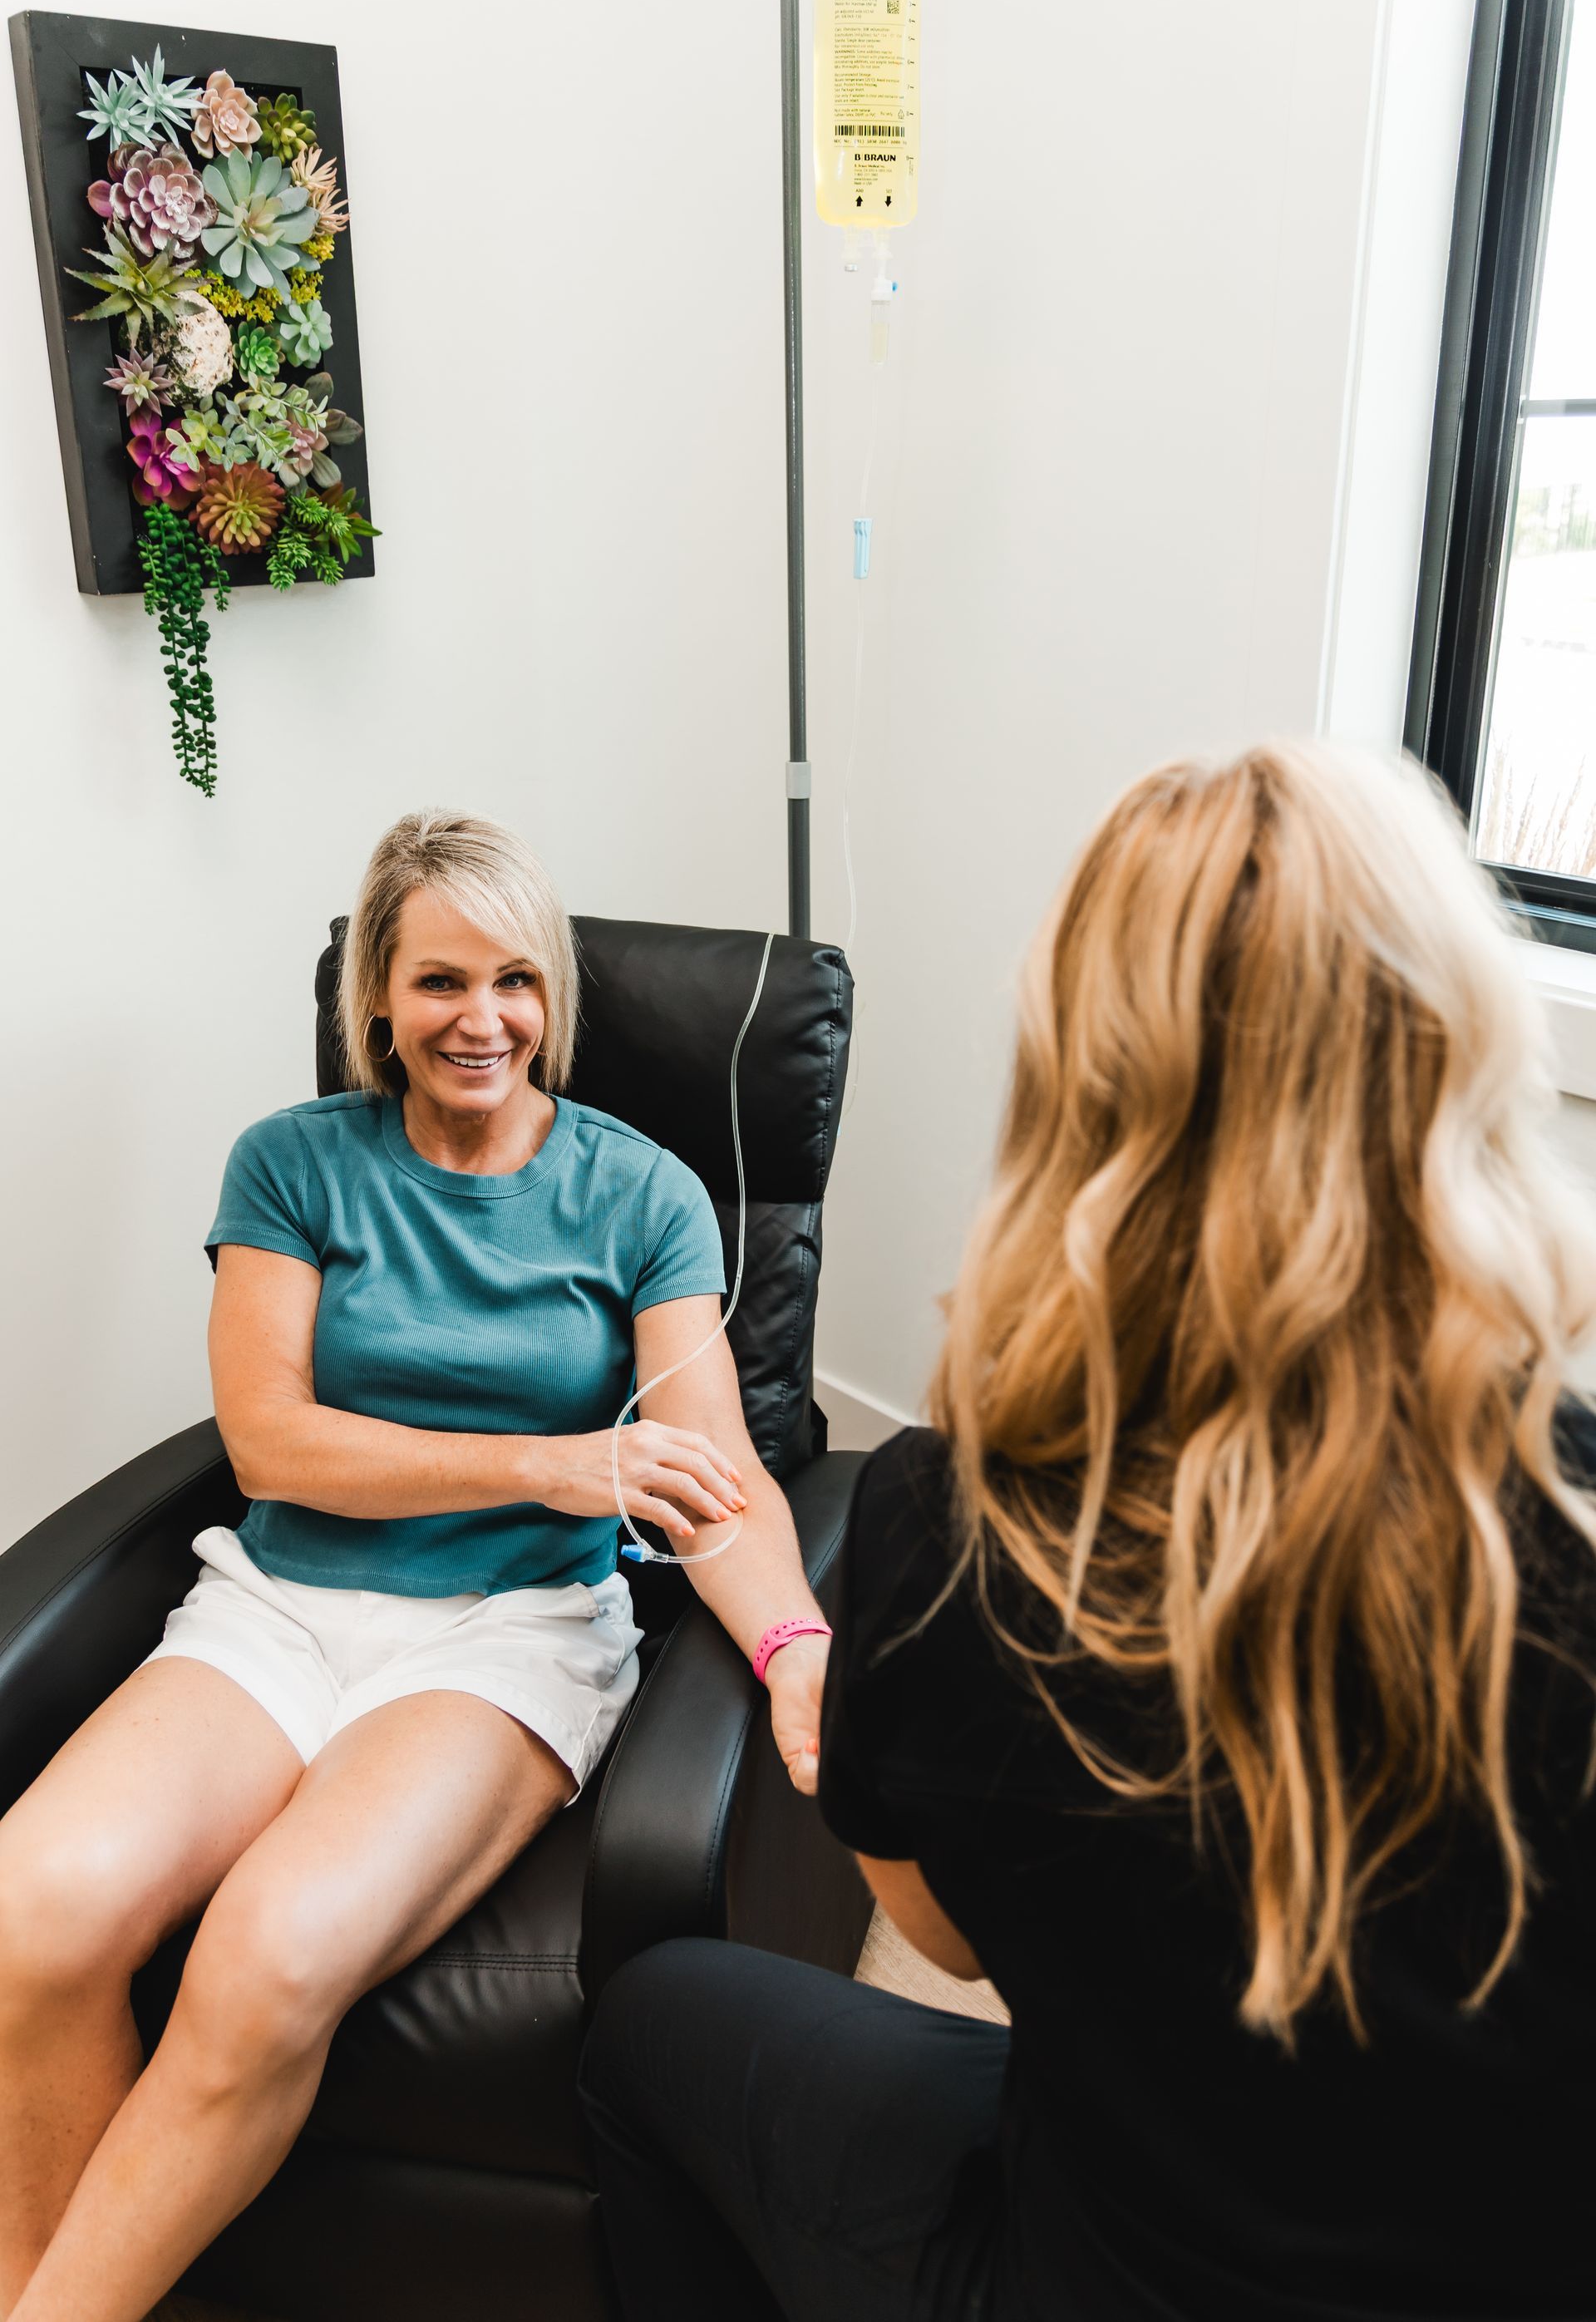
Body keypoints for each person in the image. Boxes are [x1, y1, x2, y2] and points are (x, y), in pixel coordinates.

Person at [579, 742, 1596, 2322]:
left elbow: (949, 1946)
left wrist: (869, 1742)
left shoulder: (952, 1524)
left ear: (1088, 1089)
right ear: (1454, 1058)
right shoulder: (1569, 1535)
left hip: (1092, 2272)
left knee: (652, 2029)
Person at [0, 808, 835, 2322]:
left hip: (508, 1638)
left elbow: (715, 1487)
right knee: (26, 1913)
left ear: (555, 999)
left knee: (263, 1959)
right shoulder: (293, 1165)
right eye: (442, 981)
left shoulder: (642, 1194)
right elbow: (272, 1445)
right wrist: (559, 1462)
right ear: (375, 998)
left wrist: (795, 1650)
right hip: (279, 1611)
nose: (484, 1020)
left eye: (517, 981)